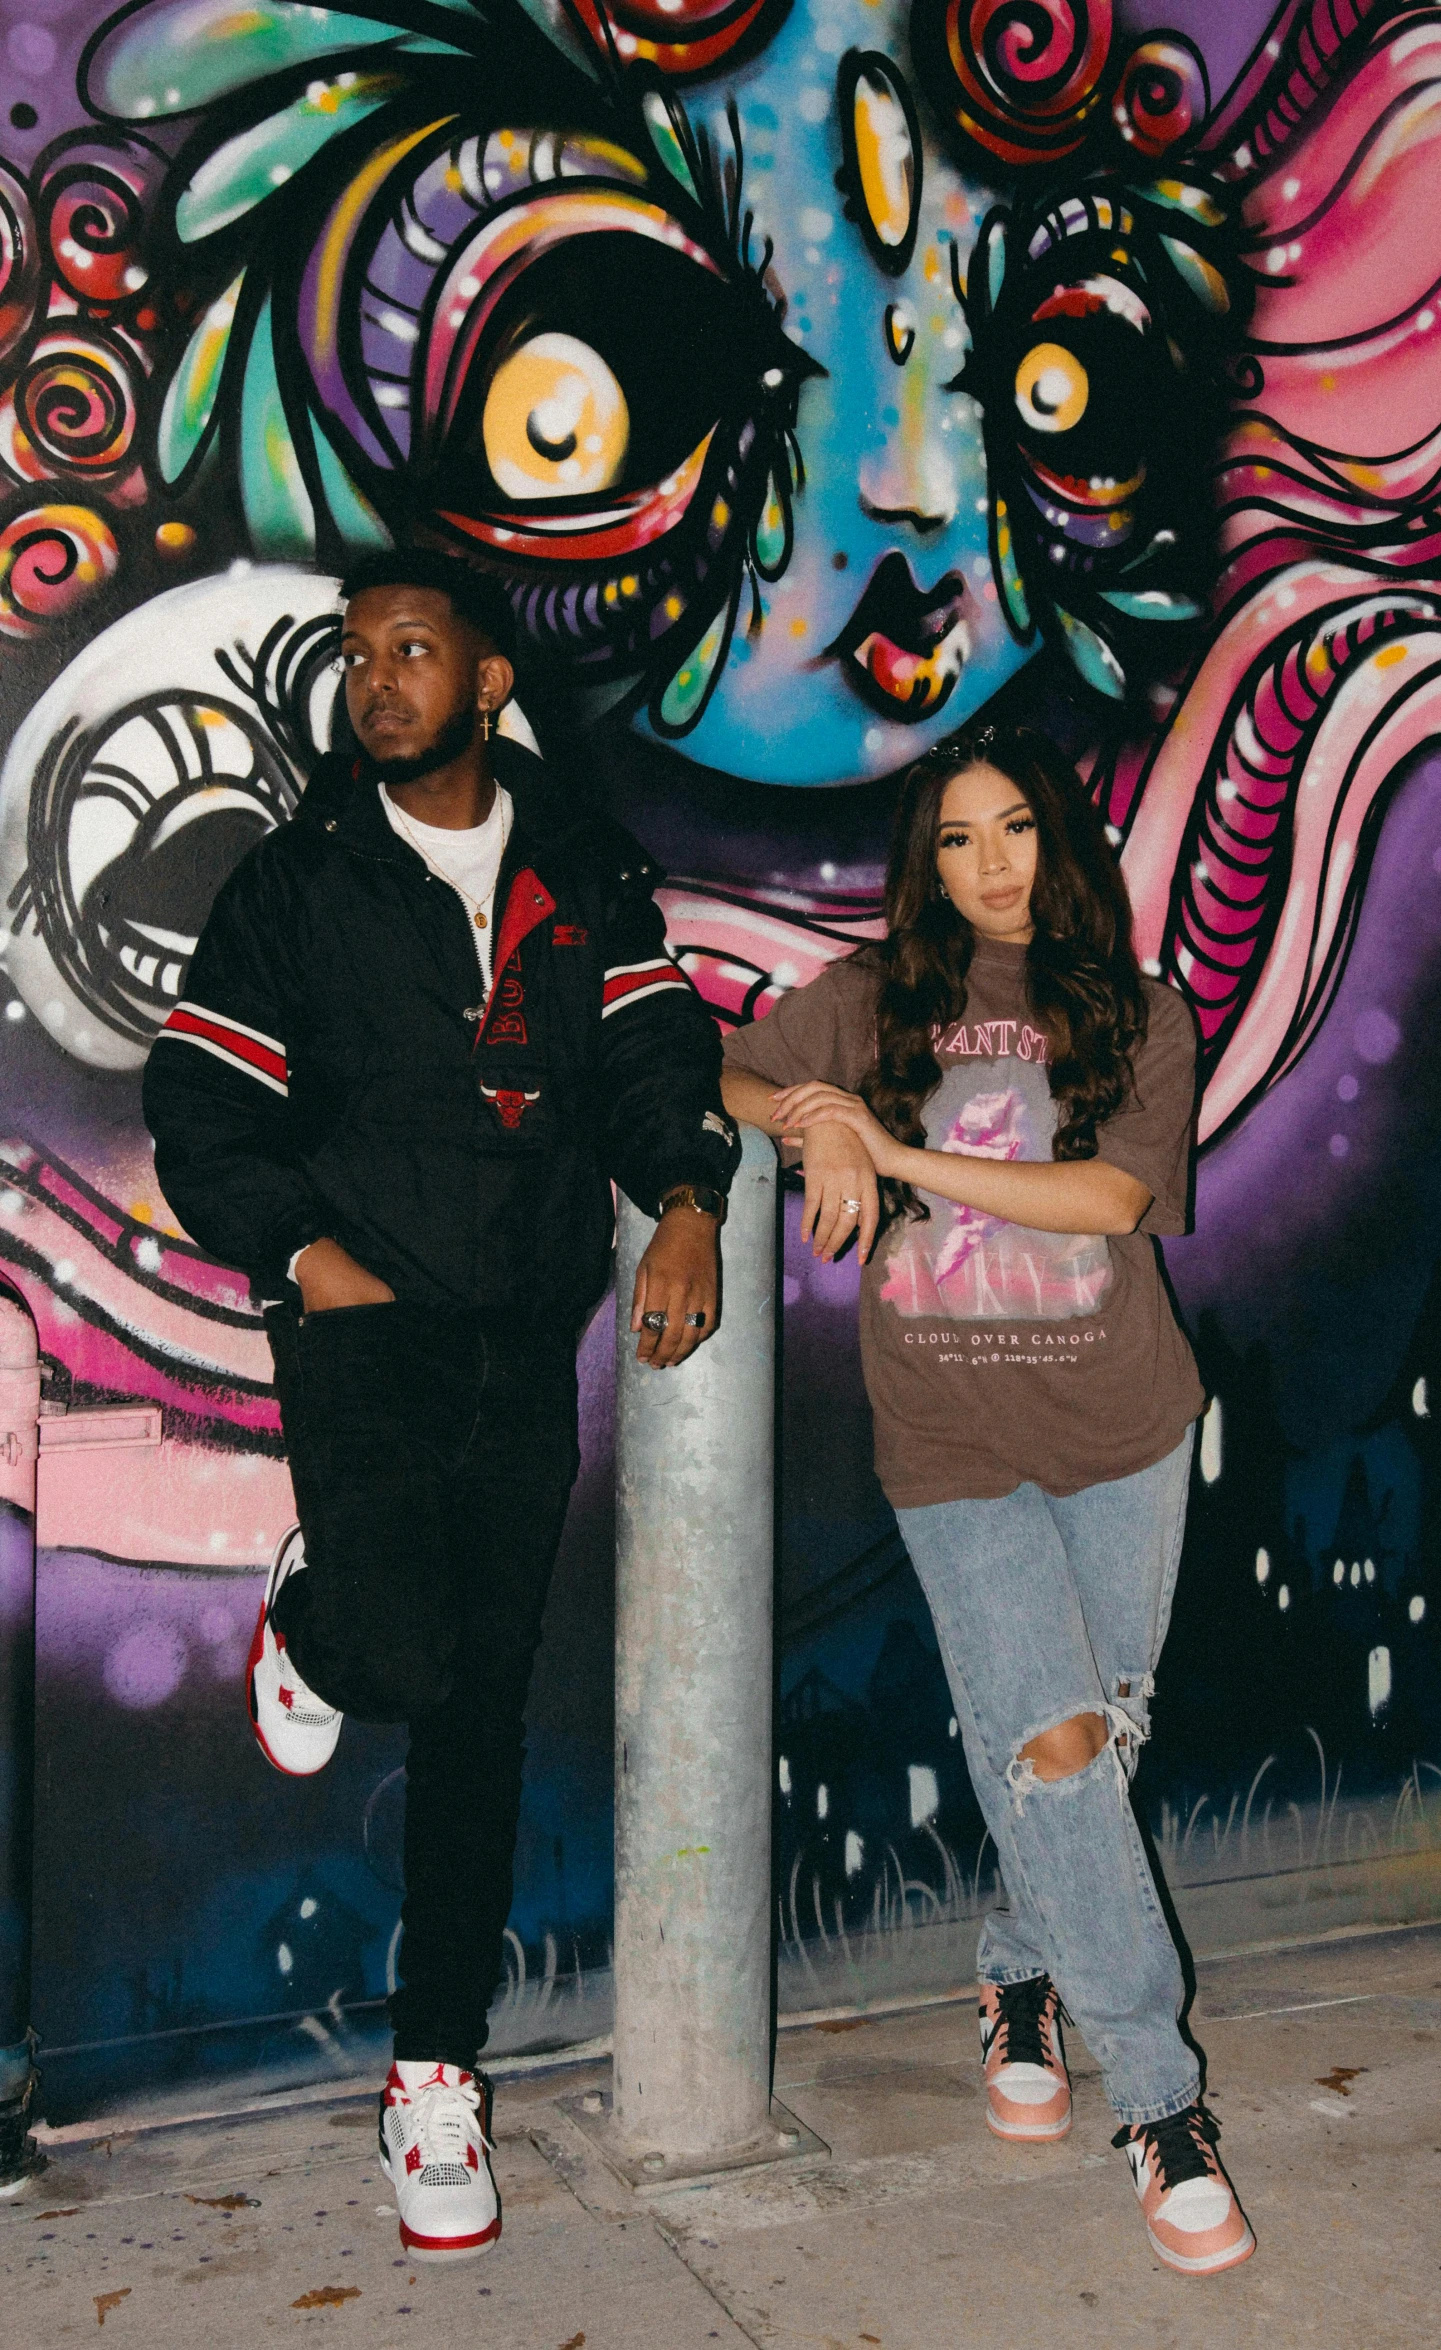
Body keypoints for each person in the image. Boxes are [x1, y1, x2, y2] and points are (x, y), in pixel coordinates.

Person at [142, 548, 739, 2262]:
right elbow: (200, 1105)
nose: (378, 680)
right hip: (362, 1325)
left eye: (412, 650)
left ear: (485, 680)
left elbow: (649, 1054)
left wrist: (686, 1196)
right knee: (402, 1651)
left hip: (521, 1326)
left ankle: (433, 2069)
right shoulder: (298, 881)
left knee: (479, 1707)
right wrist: (305, 1253)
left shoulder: (577, 862)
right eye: (357, 654)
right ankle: (315, 1625)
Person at [720, 722, 1254, 2278]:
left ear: (1059, 839)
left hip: (1122, 1426)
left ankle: (1015, 1967)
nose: (990, 865)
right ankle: (1160, 2099)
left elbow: (1108, 1199)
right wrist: (816, 1116)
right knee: (1055, 1741)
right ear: (924, 867)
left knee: (1099, 1736)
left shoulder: (1140, 1012)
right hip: (950, 1443)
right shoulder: (873, 1001)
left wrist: (890, 1145)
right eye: (955, 841)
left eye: (1013, 828)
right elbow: (718, 1060)